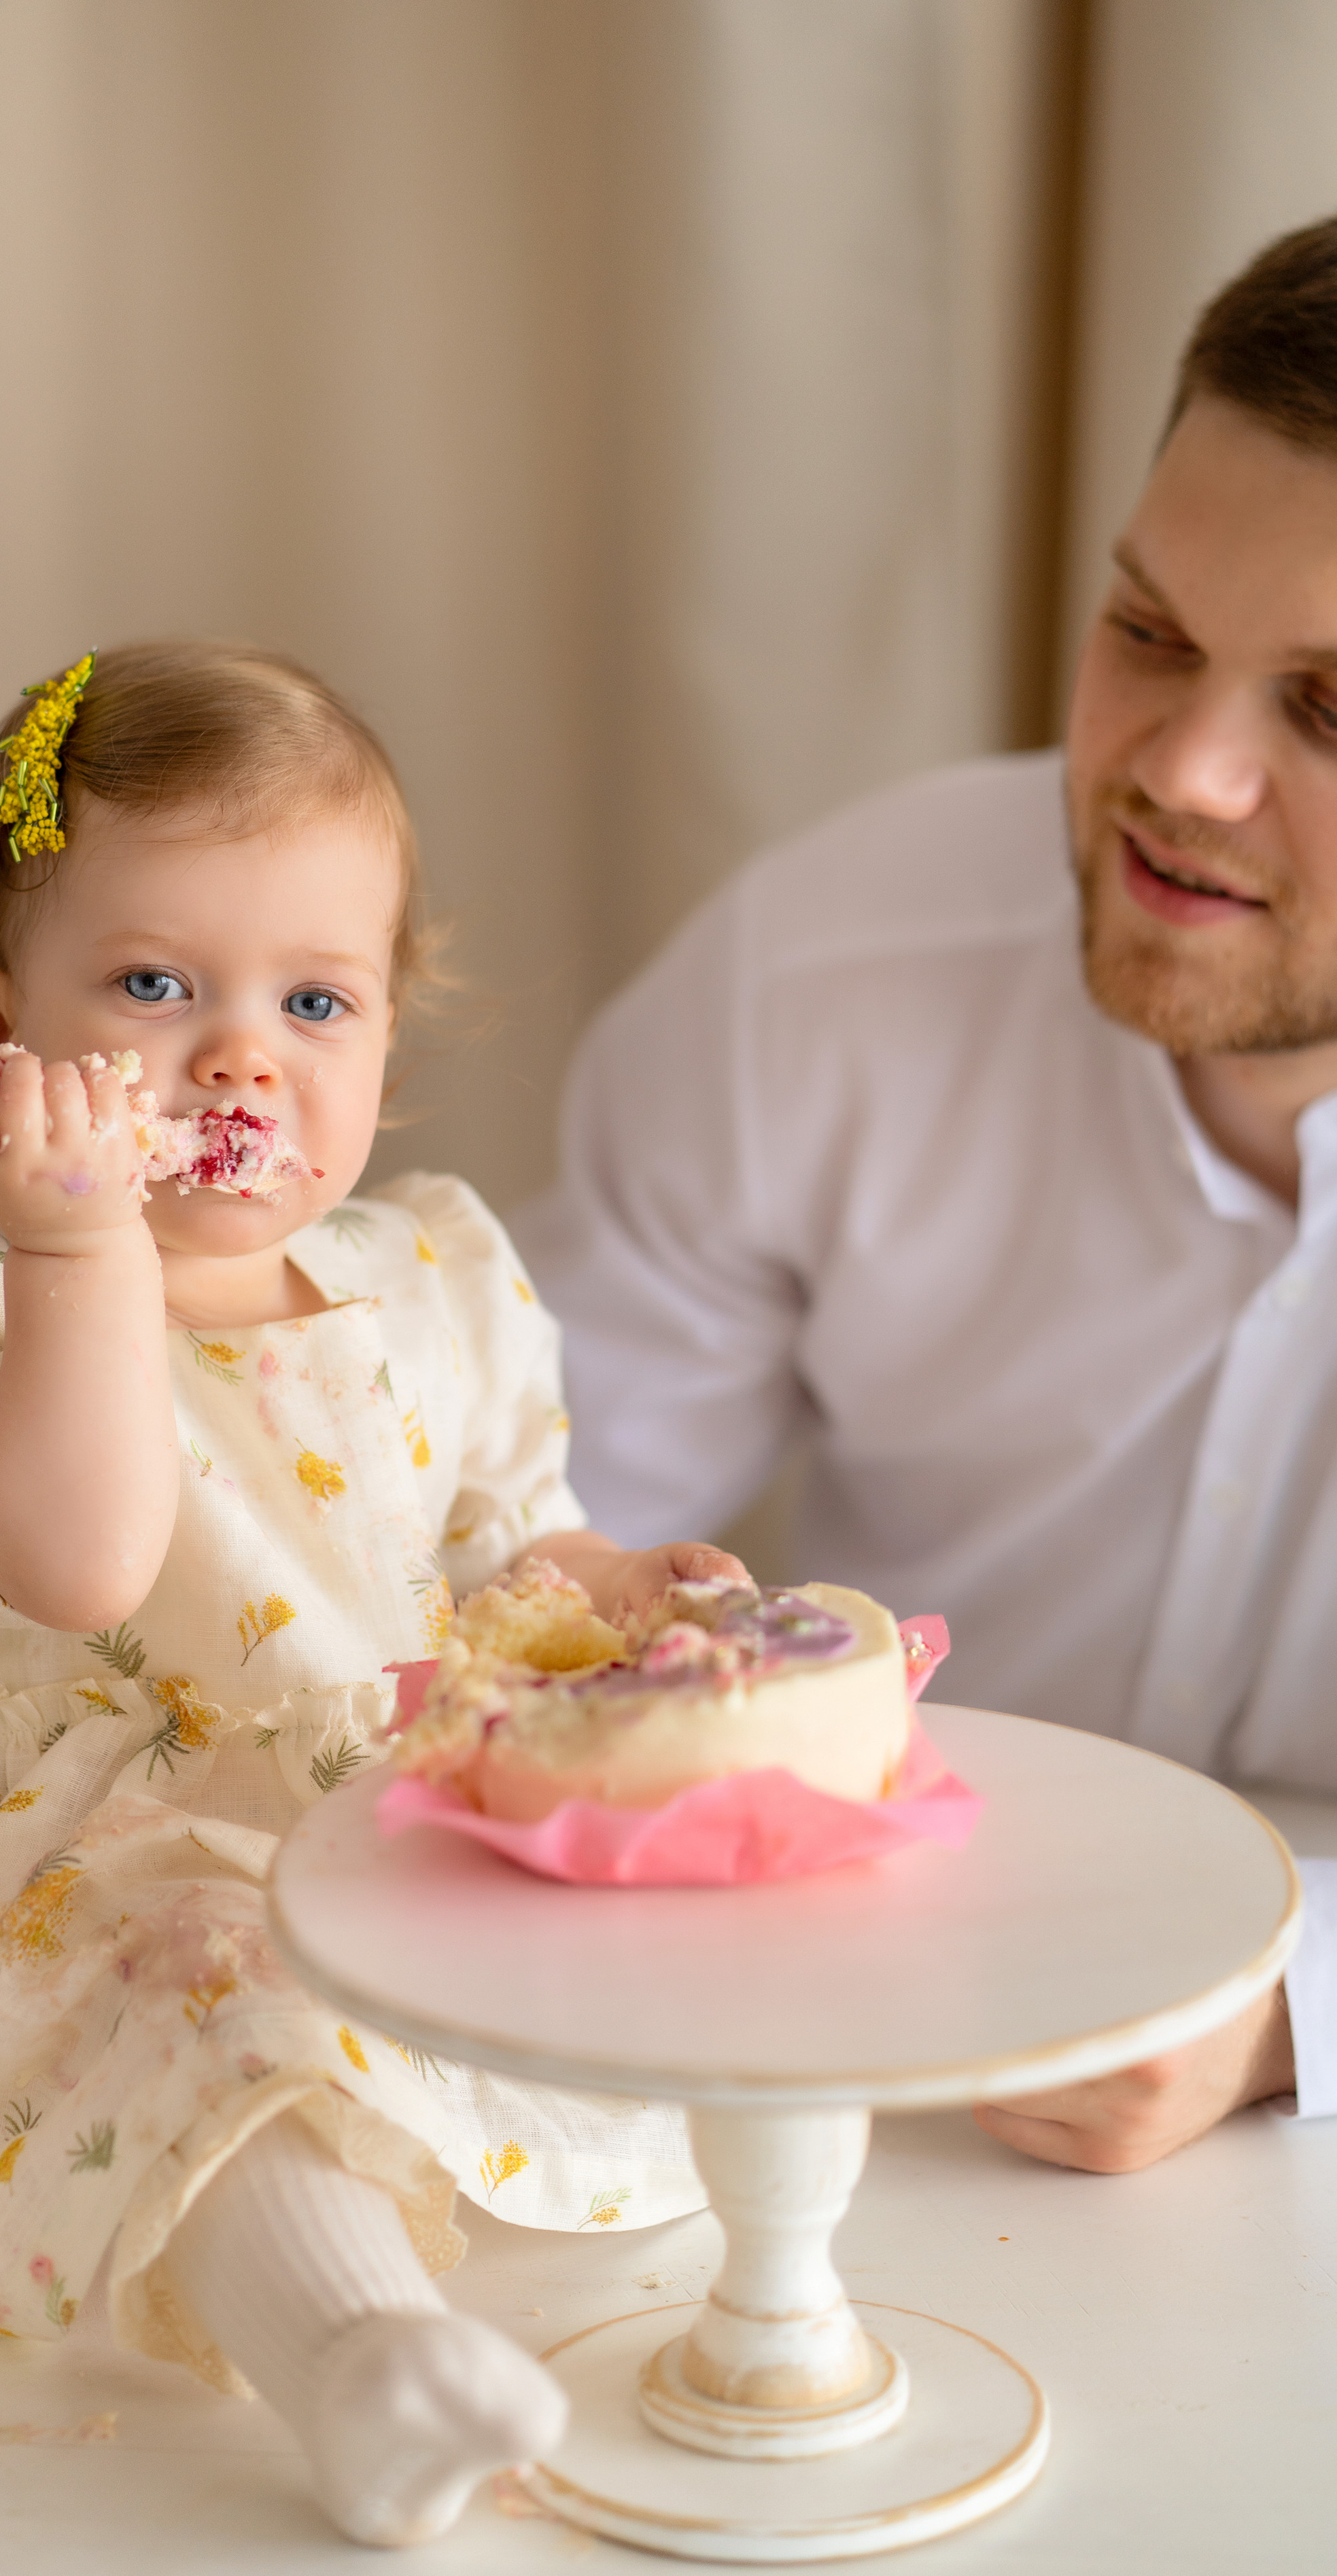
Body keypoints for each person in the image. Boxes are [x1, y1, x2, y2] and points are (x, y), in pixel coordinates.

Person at [0, 642, 745, 2547]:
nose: (239, 1056)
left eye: (314, 997)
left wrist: (620, 1582)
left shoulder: (435, 1272)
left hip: (388, 1810)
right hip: (99, 1867)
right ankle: (361, 2356)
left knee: (609, 1962)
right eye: (153, 986)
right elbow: (86, 1554)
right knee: (207, 1982)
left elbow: (493, 1547)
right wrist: (76, 1247)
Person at [515, 215, 1337, 2176]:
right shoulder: (823, 979)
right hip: (854, 2089)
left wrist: (1285, 2014)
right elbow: (496, 1537)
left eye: (1335, 708)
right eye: (1147, 634)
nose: (1189, 774)